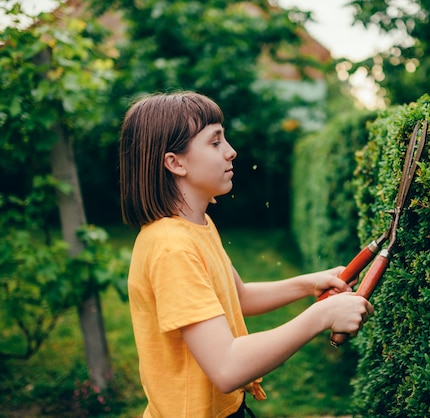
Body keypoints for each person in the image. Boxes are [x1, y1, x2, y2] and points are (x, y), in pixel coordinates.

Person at [119, 91, 374, 418]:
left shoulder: (198, 225)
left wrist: (310, 284)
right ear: (175, 162)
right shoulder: (171, 248)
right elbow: (227, 367)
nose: (231, 152)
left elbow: (236, 297)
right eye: (215, 142)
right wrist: (321, 316)